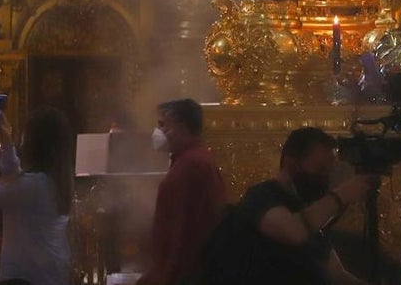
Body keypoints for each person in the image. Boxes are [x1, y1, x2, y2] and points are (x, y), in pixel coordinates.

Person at [201, 126, 374, 285]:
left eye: (328, 171)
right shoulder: (262, 195)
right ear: (292, 164)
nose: (325, 177)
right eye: (320, 169)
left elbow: (337, 274)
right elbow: (294, 232)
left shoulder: (307, 209)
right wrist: (342, 194)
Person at [0, 107, 74, 285]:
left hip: (23, 279)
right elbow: (16, 181)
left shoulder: (34, 185)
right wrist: (8, 144)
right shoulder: (52, 180)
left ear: (35, 144)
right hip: (48, 276)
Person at [139, 99, 228, 285]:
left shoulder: (192, 165)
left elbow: (185, 230)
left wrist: (168, 276)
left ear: (182, 127)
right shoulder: (189, 160)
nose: (158, 132)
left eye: (163, 125)